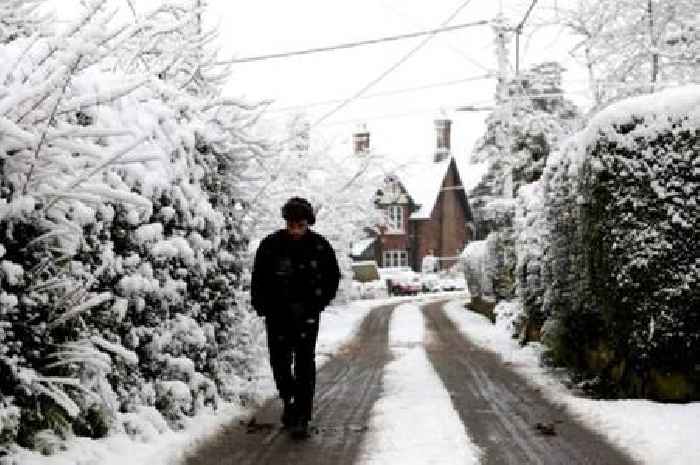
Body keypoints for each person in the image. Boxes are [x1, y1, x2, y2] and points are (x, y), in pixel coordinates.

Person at [250, 197, 341, 439]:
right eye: (292, 225)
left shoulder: (320, 247)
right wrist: (261, 305)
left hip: (306, 316)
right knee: (279, 362)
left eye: (300, 225)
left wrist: (318, 304)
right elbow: (258, 277)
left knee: (304, 364)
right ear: (286, 223)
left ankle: (302, 414)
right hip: (277, 315)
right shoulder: (271, 245)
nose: (295, 230)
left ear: (307, 223)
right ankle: (289, 399)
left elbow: (332, 277)